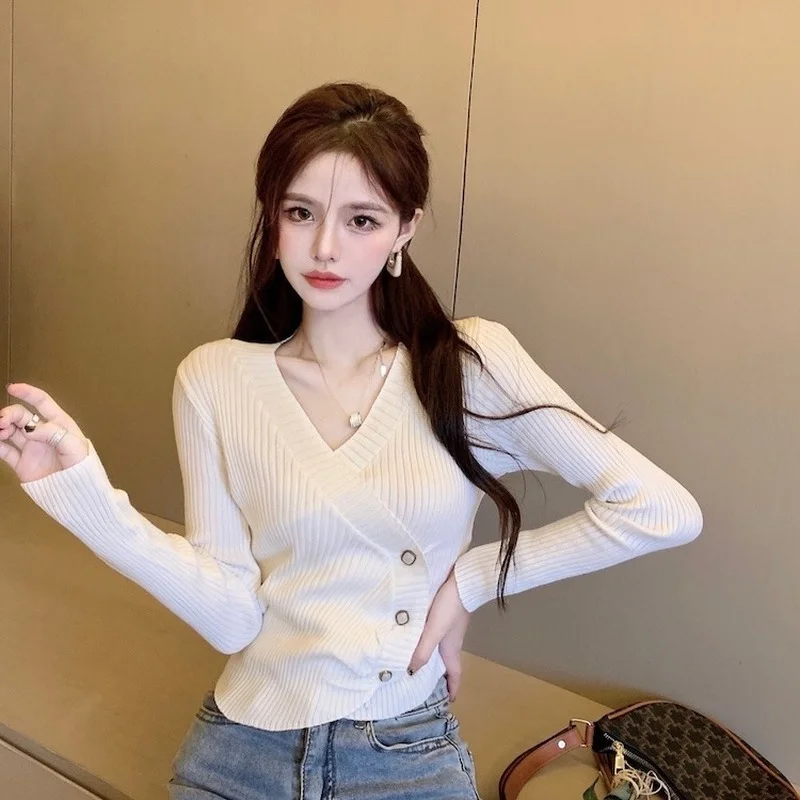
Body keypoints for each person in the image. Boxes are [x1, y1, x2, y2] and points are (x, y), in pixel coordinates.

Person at [0, 82, 703, 800]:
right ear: (272, 216)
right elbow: (232, 619)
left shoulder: (468, 365)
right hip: (241, 748)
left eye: (362, 219)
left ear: (405, 229)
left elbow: (660, 509)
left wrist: (469, 581)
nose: (325, 248)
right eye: (300, 212)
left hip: (404, 752)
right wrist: (86, 498)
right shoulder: (214, 379)